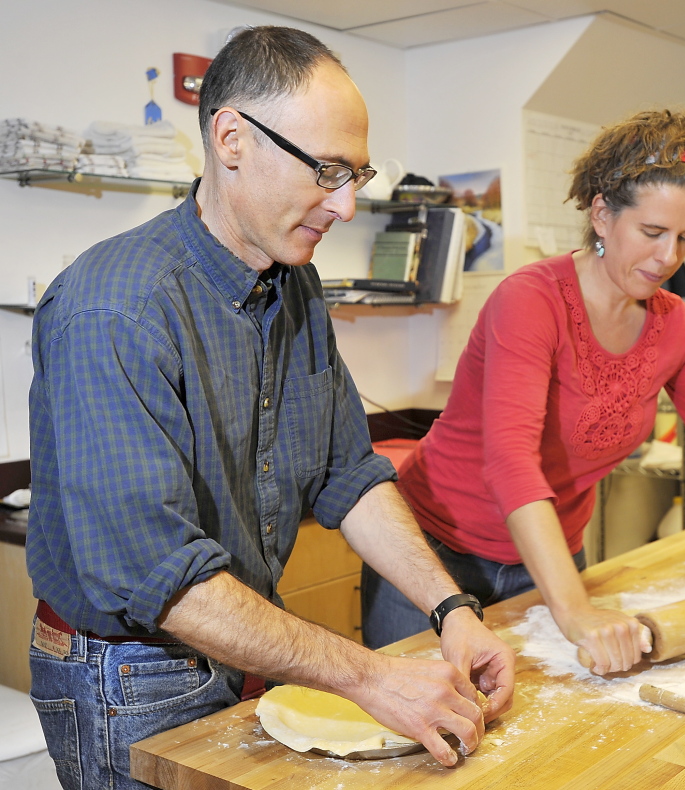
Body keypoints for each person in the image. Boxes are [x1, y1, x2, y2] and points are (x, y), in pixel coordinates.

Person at [26, 26, 514, 789]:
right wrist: (372, 678)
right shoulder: (113, 308)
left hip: (241, 641)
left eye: (357, 174)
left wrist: (449, 606)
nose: (347, 205)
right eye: (326, 171)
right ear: (231, 139)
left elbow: (349, 473)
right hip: (128, 675)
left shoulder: (293, 284)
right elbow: (163, 579)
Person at [361, 109, 685, 675]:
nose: (667, 258)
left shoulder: (676, 327)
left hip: (549, 557)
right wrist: (574, 610)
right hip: (434, 556)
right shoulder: (531, 301)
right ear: (602, 214)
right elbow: (510, 459)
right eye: (652, 232)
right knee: (417, 732)